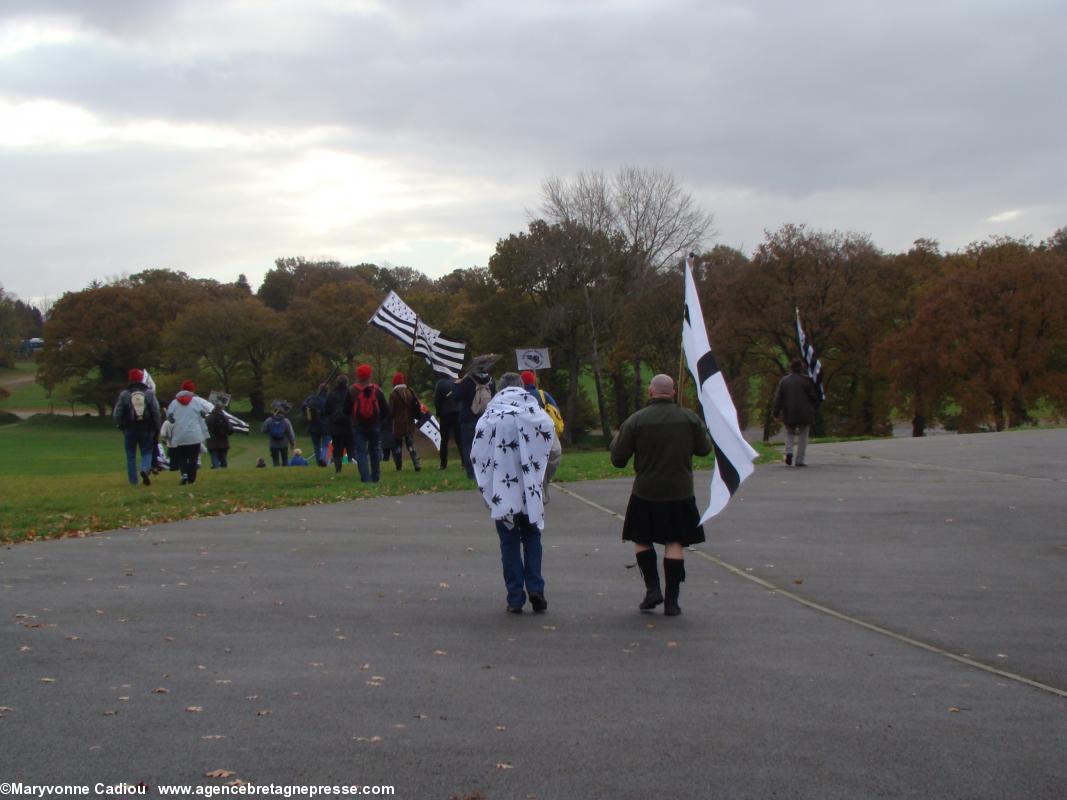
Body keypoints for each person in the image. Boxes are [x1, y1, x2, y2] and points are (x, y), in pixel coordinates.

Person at [610, 374, 712, 617]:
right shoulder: (689, 418)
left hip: (646, 491)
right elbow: (704, 449)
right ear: (673, 392)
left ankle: (652, 589)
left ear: (650, 392)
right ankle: (672, 600)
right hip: (680, 491)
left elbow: (618, 460)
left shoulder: (636, 421)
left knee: (642, 539)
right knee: (674, 542)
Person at [472, 372, 555, 614]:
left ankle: (515, 597)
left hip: (502, 488)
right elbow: (552, 445)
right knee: (532, 537)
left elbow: (477, 454)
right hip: (529, 487)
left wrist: (486, 486)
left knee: (508, 542)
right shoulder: (535, 413)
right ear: (521, 388)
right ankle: (536, 587)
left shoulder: (490, 416)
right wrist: (542, 476)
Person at [112, 368, 161, 486]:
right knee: (147, 451)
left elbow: (117, 413)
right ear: (141, 378)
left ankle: (133, 481)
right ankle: (145, 469)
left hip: (130, 428)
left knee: (130, 455)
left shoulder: (125, 394)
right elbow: (156, 411)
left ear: (130, 379)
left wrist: (119, 424)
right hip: (147, 427)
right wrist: (156, 425)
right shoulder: (149, 392)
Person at [521, 370, 563, 497]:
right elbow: (556, 410)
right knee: (554, 454)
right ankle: (545, 480)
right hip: (546, 433)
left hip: (526, 435)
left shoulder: (519, 396)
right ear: (534, 381)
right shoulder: (542, 394)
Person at [772, 358, 820, 467]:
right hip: (805, 412)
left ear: (791, 368)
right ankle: (800, 460)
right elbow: (813, 396)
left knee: (790, 432)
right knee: (803, 435)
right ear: (801, 368)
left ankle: (789, 451)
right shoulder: (807, 381)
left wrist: (776, 410)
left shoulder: (784, 381)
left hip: (789, 411)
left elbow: (778, 397)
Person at [166, 380, 214, 485]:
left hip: (179, 434)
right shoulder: (196, 401)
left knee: (182, 457)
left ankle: (184, 475)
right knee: (193, 458)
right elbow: (204, 413)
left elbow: (169, 418)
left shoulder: (174, 402)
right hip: (194, 434)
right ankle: (192, 479)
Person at [454, 367, 496, 479]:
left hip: (468, 418)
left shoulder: (467, 380)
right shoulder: (491, 381)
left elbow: (456, 397)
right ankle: (486, 471)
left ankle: (472, 474)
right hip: (486, 418)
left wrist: (457, 385)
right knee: (485, 446)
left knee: (468, 446)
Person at [351, 363, 390, 483]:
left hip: (358, 425)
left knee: (361, 452)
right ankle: (376, 477)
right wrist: (379, 421)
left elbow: (346, 409)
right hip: (374, 425)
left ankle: (366, 478)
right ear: (369, 375)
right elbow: (386, 410)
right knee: (374, 450)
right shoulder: (377, 390)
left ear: (358, 376)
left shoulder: (352, 390)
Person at [387, 372, 423, 471]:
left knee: (398, 446)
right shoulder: (410, 391)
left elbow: (391, 411)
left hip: (398, 424)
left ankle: (399, 466)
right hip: (410, 422)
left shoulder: (393, 394)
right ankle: (416, 463)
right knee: (410, 444)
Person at [323, 374, 353, 473]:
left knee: (337, 447)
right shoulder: (350, 393)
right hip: (348, 424)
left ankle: (338, 468)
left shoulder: (331, 395)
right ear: (346, 383)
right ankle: (354, 462)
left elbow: (326, 411)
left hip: (336, 425)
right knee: (350, 445)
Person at [433, 371, 463, 471]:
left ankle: (443, 464)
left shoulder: (440, 384)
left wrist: (438, 411)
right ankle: (464, 461)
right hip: (457, 412)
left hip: (445, 414)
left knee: (444, 440)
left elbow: (437, 400)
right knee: (459, 439)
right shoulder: (456, 381)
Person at [302, 384, 330, 467]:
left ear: (319, 390)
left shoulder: (311, 398)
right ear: (327, 390)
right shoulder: (328, 399)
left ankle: (319, 463)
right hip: (326, 426)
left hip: (313, 426)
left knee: (316, 446)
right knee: (326, 445)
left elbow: (303, 407)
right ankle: (323, 459)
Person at [205, 400, 232, 469]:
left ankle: (216, 469)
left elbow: (205, 428)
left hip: (212, 442)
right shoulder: (225, 418)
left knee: (214, 458)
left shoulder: (209, 418)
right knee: (223, 459)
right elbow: (230, 429)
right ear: (222, 408)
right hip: (223, 441)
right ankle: (224, 471)